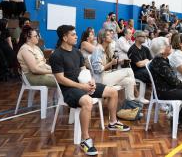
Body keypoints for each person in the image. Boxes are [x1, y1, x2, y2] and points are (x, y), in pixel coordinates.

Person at [49, 25, 130, 156]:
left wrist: (90, 80)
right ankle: (85, 139)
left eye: (76, 34)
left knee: (113, 92)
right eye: (73, 34)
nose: (76, 37)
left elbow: (83, 70)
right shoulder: (56, 55)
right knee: (87, 101)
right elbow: (61, 79)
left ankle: (113, 122)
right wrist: (81, 87)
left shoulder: (76, 52)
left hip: (84, 85)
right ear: (64, 37)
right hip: (69, 90)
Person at [150, 37, 182, 133]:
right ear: (162, 49)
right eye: (168, 45)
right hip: (164, 91)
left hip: (167, 88)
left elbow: (172, 77)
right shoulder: (160, 62)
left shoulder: (163, 59)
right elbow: (172, 80)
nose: (171, 46)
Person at [90, 29, 137, 102]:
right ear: (103, 38)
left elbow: (112, 63)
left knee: (129, 81)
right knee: (128, 70)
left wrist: (120, 62)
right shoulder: (98, 50)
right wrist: (111, 63)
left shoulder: (107, 48)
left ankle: (131, 105)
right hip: (101, 80)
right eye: (108, 35)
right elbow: (97, 69)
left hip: (108, 75)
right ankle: (136, 93)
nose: (111, 36)